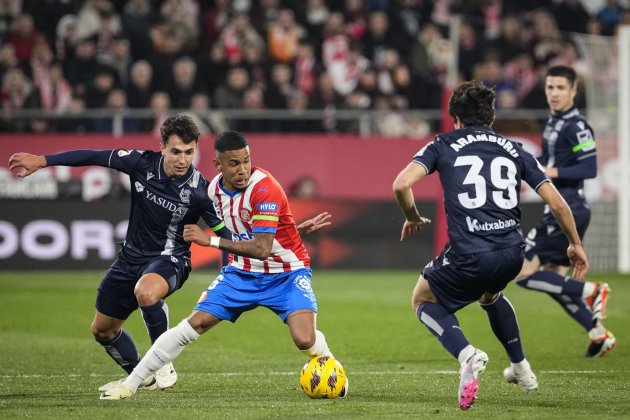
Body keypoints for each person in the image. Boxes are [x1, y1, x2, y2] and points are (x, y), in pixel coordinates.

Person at [8, 115, 330, 393]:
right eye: (176, 151)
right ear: (162, 147)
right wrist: (43, 160)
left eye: (189, 153)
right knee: (102, 330)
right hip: (129, 258)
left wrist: (285, 235)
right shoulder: (139, 163)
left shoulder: (202, 192)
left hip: (171, 259)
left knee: (146, 293)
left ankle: (164, 366)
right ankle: (141, 375)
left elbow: (232, 237)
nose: (182, 159)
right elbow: (93, 155)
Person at [99, 130, 346, 400]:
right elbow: (246, 233)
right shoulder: (213, 189)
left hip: (285, 274)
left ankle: (333, 370)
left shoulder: (265, 188)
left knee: (304, 340)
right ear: (218, 165)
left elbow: (262, 248)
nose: (242, 170)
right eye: (234, 163)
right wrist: (293, 230)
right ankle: (130, 385)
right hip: (240, 273)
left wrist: (211, 242)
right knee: (193, 325)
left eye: (246, 161)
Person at [392, 80, 589, 410]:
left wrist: (411, 215)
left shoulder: (442, 143)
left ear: (454, 117)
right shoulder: (515, 149)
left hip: (470, 253)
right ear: (491, 116)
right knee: (490, 294)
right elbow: (559, 205)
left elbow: (401, 185)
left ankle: (467, 354)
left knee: (422, 299)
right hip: (513, 253)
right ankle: (522, 369)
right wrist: (575, 244)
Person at [513, 65, 615, 358]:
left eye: (560, 88)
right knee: (554, 280)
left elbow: (589, 168)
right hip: (560, 206)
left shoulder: (577, 125)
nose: (554, 93)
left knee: (523, 274)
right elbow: (546, 160)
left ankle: (593, 291)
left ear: (573, 91)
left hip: (568, 207)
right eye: (550, 87)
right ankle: (597, 333)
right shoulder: (554, 121)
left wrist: (549, 170)